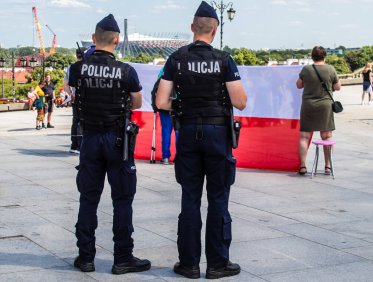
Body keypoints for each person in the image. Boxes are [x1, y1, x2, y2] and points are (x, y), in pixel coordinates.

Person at [156, 1, 247, 279]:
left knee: (190, 198)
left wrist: (185, 107)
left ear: (192, 28)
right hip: (218, 133)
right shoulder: (224, 59)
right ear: (214, 28)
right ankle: (218, 263)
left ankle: (189, 264)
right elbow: (240, 102)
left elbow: (161, 101)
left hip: (188, 134)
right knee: (218, 198)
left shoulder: (176, 59)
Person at [68, 14, 151, 274]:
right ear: (116, 40)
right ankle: (123, 257)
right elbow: (137, 103)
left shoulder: (77, 68)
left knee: (88, 199)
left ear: (94, 39)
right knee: (123, 200)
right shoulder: (127, 71)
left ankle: (85, 257)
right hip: (118, 140)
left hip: (90, 138)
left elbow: (73, 94)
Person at [296, 46, 341, 175]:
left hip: (308, 105)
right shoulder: (330, 69)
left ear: (312, 57)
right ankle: (327, 166)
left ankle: (303, 166)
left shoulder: (306, 69)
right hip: (325, 106)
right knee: (327, 136)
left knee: (304, 137)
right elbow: (337, 87)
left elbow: (298, 85)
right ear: (324, 56)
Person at [151, 68, 176, 165]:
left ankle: (165, 157)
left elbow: (157, 86)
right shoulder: (182, 67)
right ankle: (180, 157)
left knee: (166, 132)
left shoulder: (164, 69)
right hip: (178, 107)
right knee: (179, 133)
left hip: (164, 107)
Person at [64, 47, 86, 154]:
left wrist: (71, 94)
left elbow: (65, 85)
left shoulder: (70, 68)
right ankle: (80, 145)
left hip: (74, 98)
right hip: (83, 98)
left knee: (75, 121)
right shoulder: (85, 67)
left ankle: (74, 144)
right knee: (82, 122)